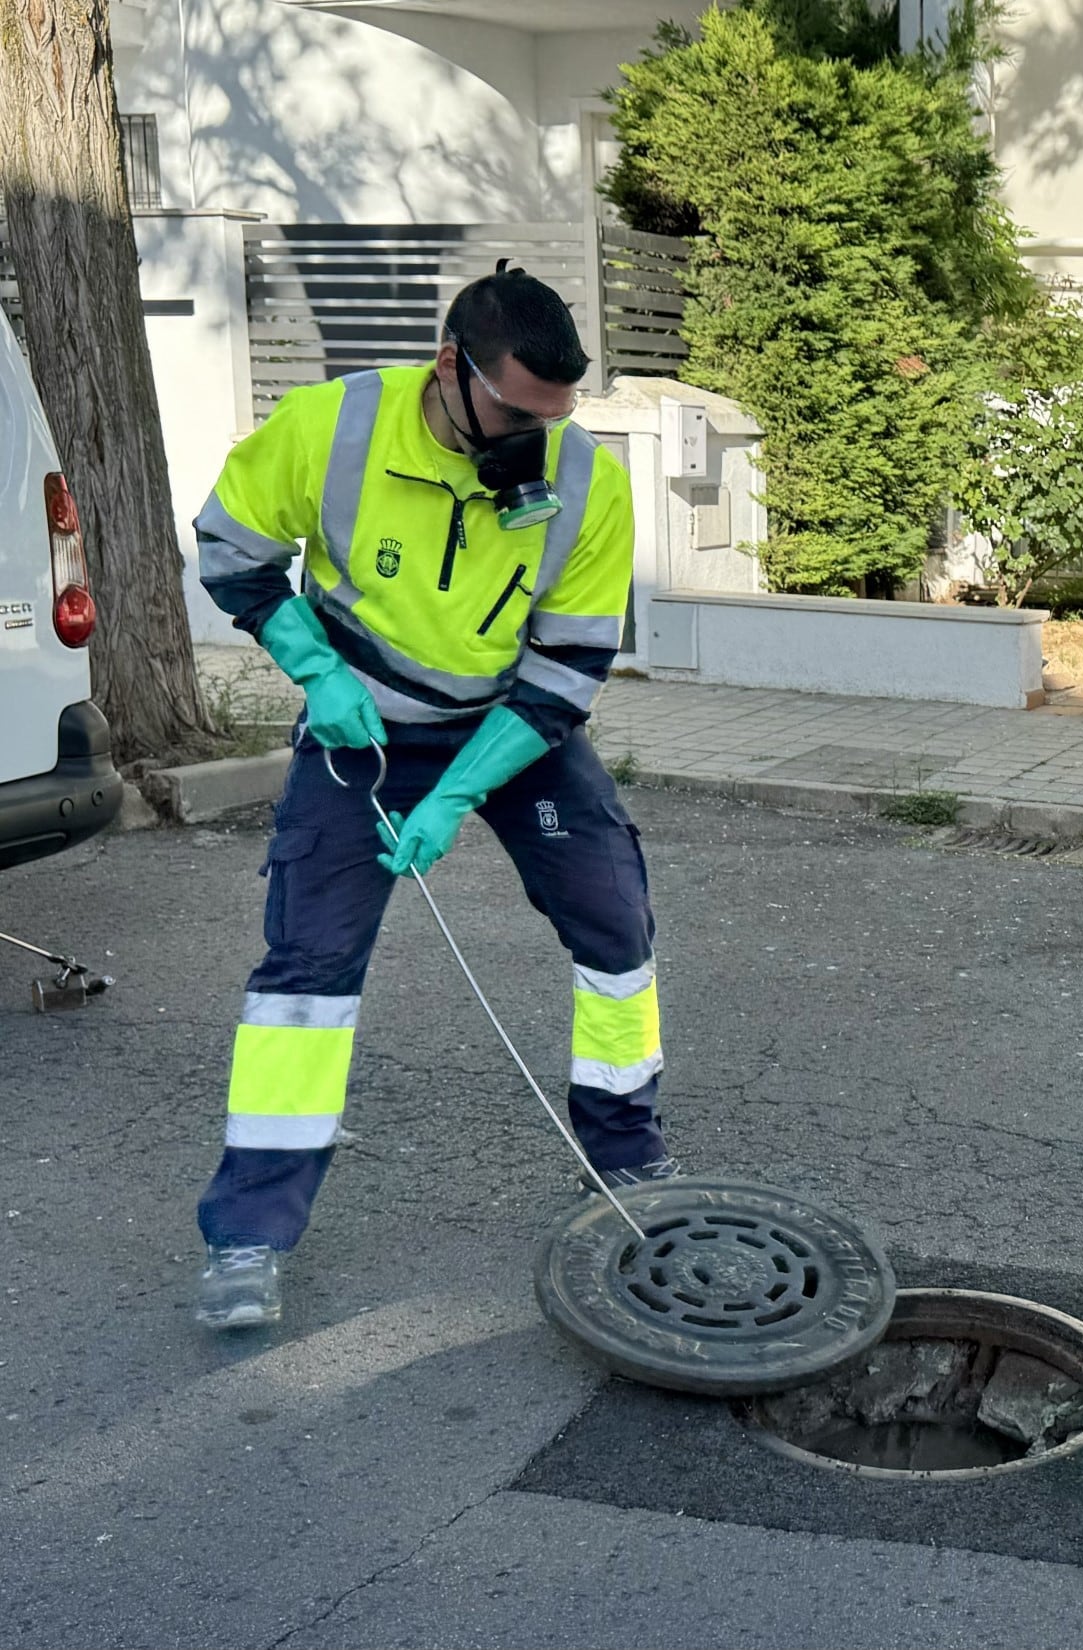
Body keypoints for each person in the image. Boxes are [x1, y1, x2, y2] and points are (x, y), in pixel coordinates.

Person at [191, 266, 669, 1329]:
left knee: (618, 933)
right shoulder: (332, 427)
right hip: (358, 730)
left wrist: (454, 795)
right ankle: (247, 1240)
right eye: (513, 410)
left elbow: (564, 673)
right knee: (305, 978)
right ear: (450, 366)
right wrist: (314, 671)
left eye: (553, 416)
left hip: (511, 734)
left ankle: (629, 1163)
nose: (531, 437)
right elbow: (230, 549)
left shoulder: (583, 478)